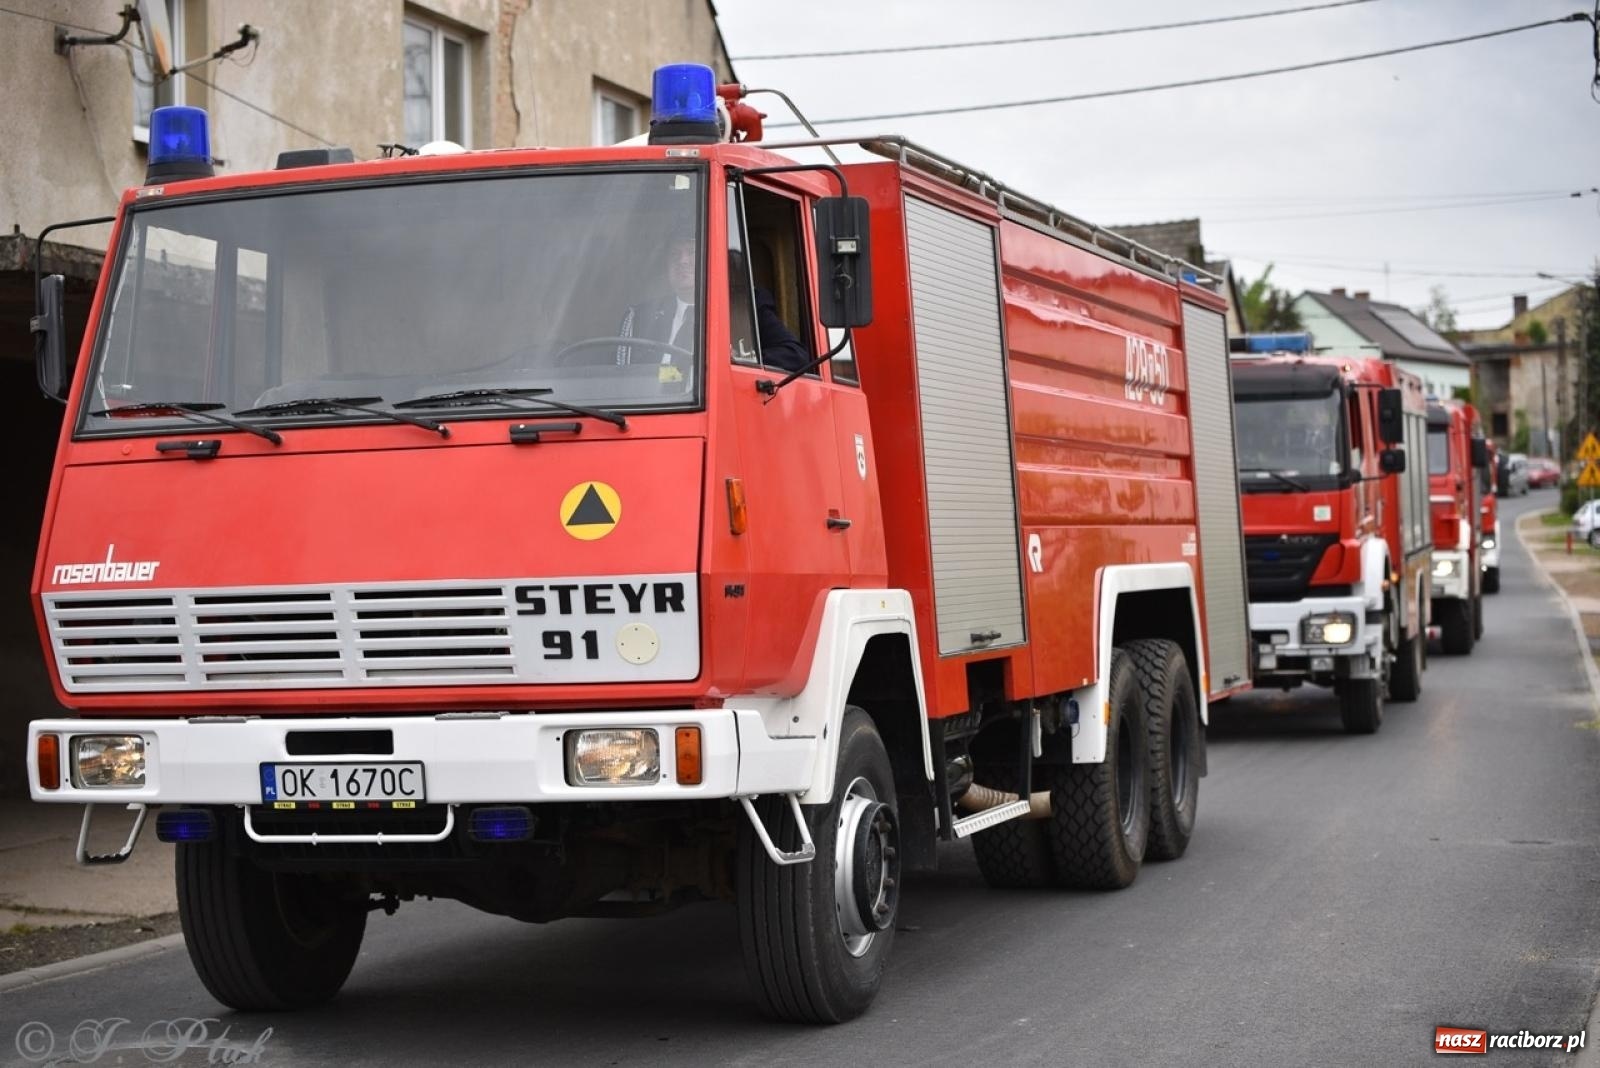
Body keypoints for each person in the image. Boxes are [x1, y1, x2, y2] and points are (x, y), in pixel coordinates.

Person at [616, 235, 812, 375]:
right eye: (675, 255)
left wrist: (741, 361)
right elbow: (617, 376)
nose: (682, 261)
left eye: (692, 252)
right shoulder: (640, 316)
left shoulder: (745, 307)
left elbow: (796, 356)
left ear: (710, 259)